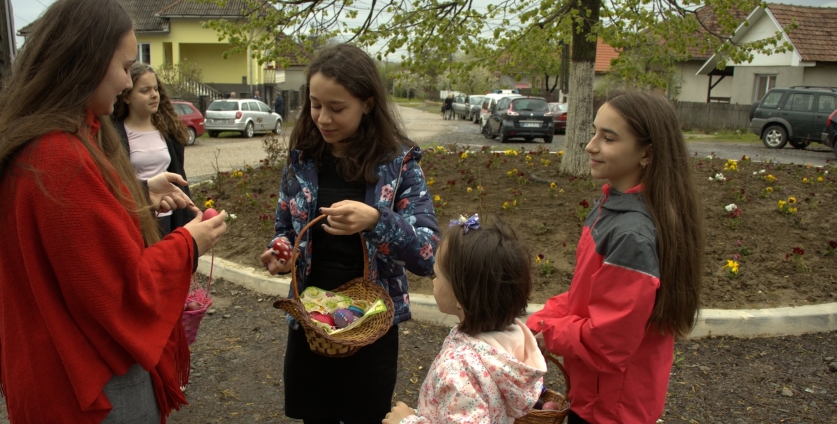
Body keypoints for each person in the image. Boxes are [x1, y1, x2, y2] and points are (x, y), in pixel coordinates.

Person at [0, 0, 229, 424]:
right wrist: (189, 243)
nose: (124, 81)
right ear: (86, 60)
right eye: (122, 65)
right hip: (92, 386)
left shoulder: (37, 140)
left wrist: (137, 196)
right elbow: (120, 292)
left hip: (48, 374)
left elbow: (71, 235)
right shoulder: (59, 158)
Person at [259, 43, 440, 423]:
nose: (322, 118)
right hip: (312, 325)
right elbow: (284, 228)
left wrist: (377, 220)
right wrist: (281, 251)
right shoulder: (303, 160)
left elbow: (429, 256)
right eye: (315, 104)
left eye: (337, 108)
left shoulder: (400, 166)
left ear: (368, 104)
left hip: (369, 330)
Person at [526, 91, 704, 424]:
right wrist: (537, 321)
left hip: (610, 409)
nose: (591, 145)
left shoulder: (631, 235)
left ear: (647, 153)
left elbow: (607, 343)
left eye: (608, 138)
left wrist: (548, 332)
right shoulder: (614, 206)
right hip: (596, 396)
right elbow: (588, 297)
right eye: (595, 132)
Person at [383, 214, 546, 424]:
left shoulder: (458, 368)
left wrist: (406, 422)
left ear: (460, 295)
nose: (433, 281)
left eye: (438, 276)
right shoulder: (511, 339)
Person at [112, 63, 193, 235]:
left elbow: (180, 175)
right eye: (145, 90)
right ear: (126, 96)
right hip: (136, 219)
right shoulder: (114, 135)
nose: (154, 95)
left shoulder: (169, 133)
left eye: (155, 89)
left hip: (169, 217)